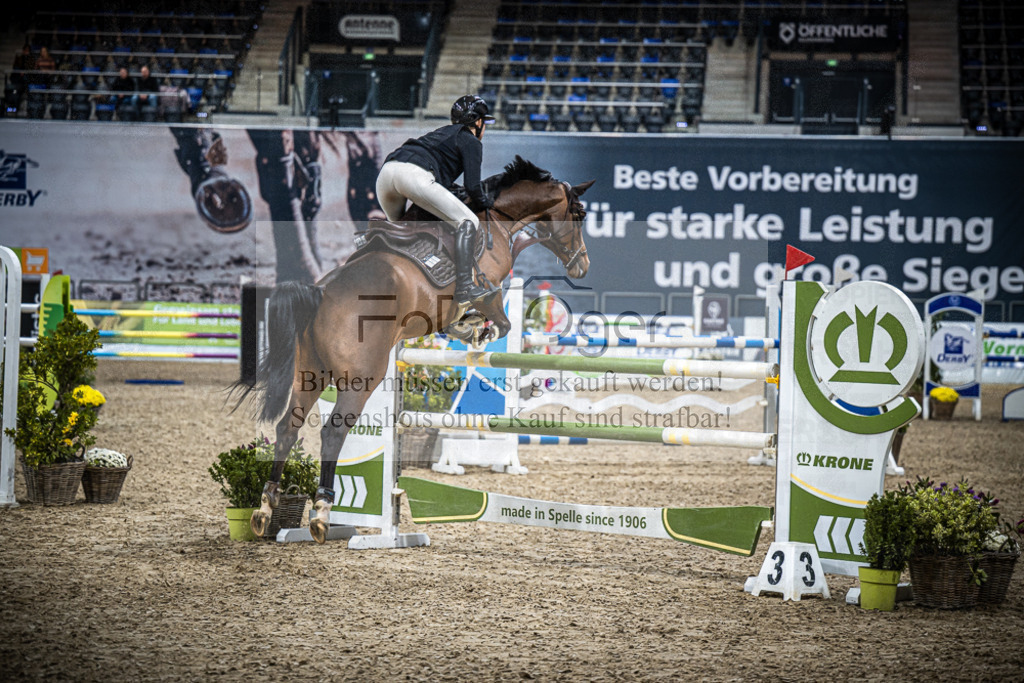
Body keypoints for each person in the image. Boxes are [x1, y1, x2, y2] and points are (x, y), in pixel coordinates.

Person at [376, 95, 498, 310]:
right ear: (478, 122)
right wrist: (486, 202)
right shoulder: (470, 140)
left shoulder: (442, 133)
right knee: (468, 221)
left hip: (387, 174)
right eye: (484, 122)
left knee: (401, 231)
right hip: (414, 175)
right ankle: (465, 287)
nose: (485, 127)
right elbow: (472, 186)